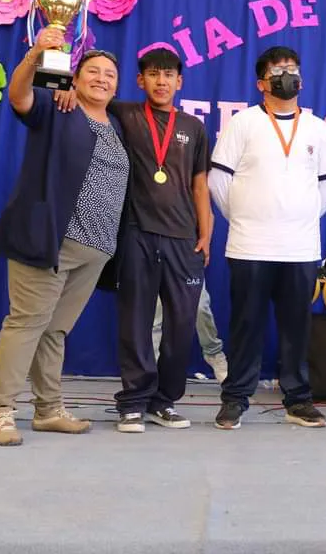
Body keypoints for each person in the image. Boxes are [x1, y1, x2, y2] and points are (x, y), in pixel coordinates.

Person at [0, 31, 128, 446]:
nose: (102, 79)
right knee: (27, 323)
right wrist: (34, 55)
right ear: (75, 79)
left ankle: (48, 410)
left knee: (55, 330)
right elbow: (18, 96)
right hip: (50, 239)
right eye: (93, 72)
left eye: (110, 75)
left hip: (96, 248)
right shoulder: (56, 106)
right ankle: (1, 412)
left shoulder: (116, 122)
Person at [208, 46, 326, 430]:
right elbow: (219, 181)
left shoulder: (317, 128)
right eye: (278, 70)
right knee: (246, 326)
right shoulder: (243, 123)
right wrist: (247, 218)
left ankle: (298, 400)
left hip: (300, 248)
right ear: (261, 83)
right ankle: (235, 398)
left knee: (297, 329)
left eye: (293, 69)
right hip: (249, 244)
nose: (288, 75)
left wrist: (297, 216)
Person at [99, 47, 213, 433]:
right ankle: (132, 401)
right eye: (153, 74)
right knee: (135, 321)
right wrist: (65, 89)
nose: (161, 81)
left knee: (181, 325)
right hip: (137, 233)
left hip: (184, 238)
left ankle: (164, 401)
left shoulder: (194, 127)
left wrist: (206, 230)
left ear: (179, 81)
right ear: (140, 80)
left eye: (168, 75)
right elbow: (88, 97)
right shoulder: (126, 114)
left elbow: (200, 183)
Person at [153, 282, 228, 383]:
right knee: (157, 314)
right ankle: (153, 366)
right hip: (159, 267)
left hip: (189, 267)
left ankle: (213, 354)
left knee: (200, 308)